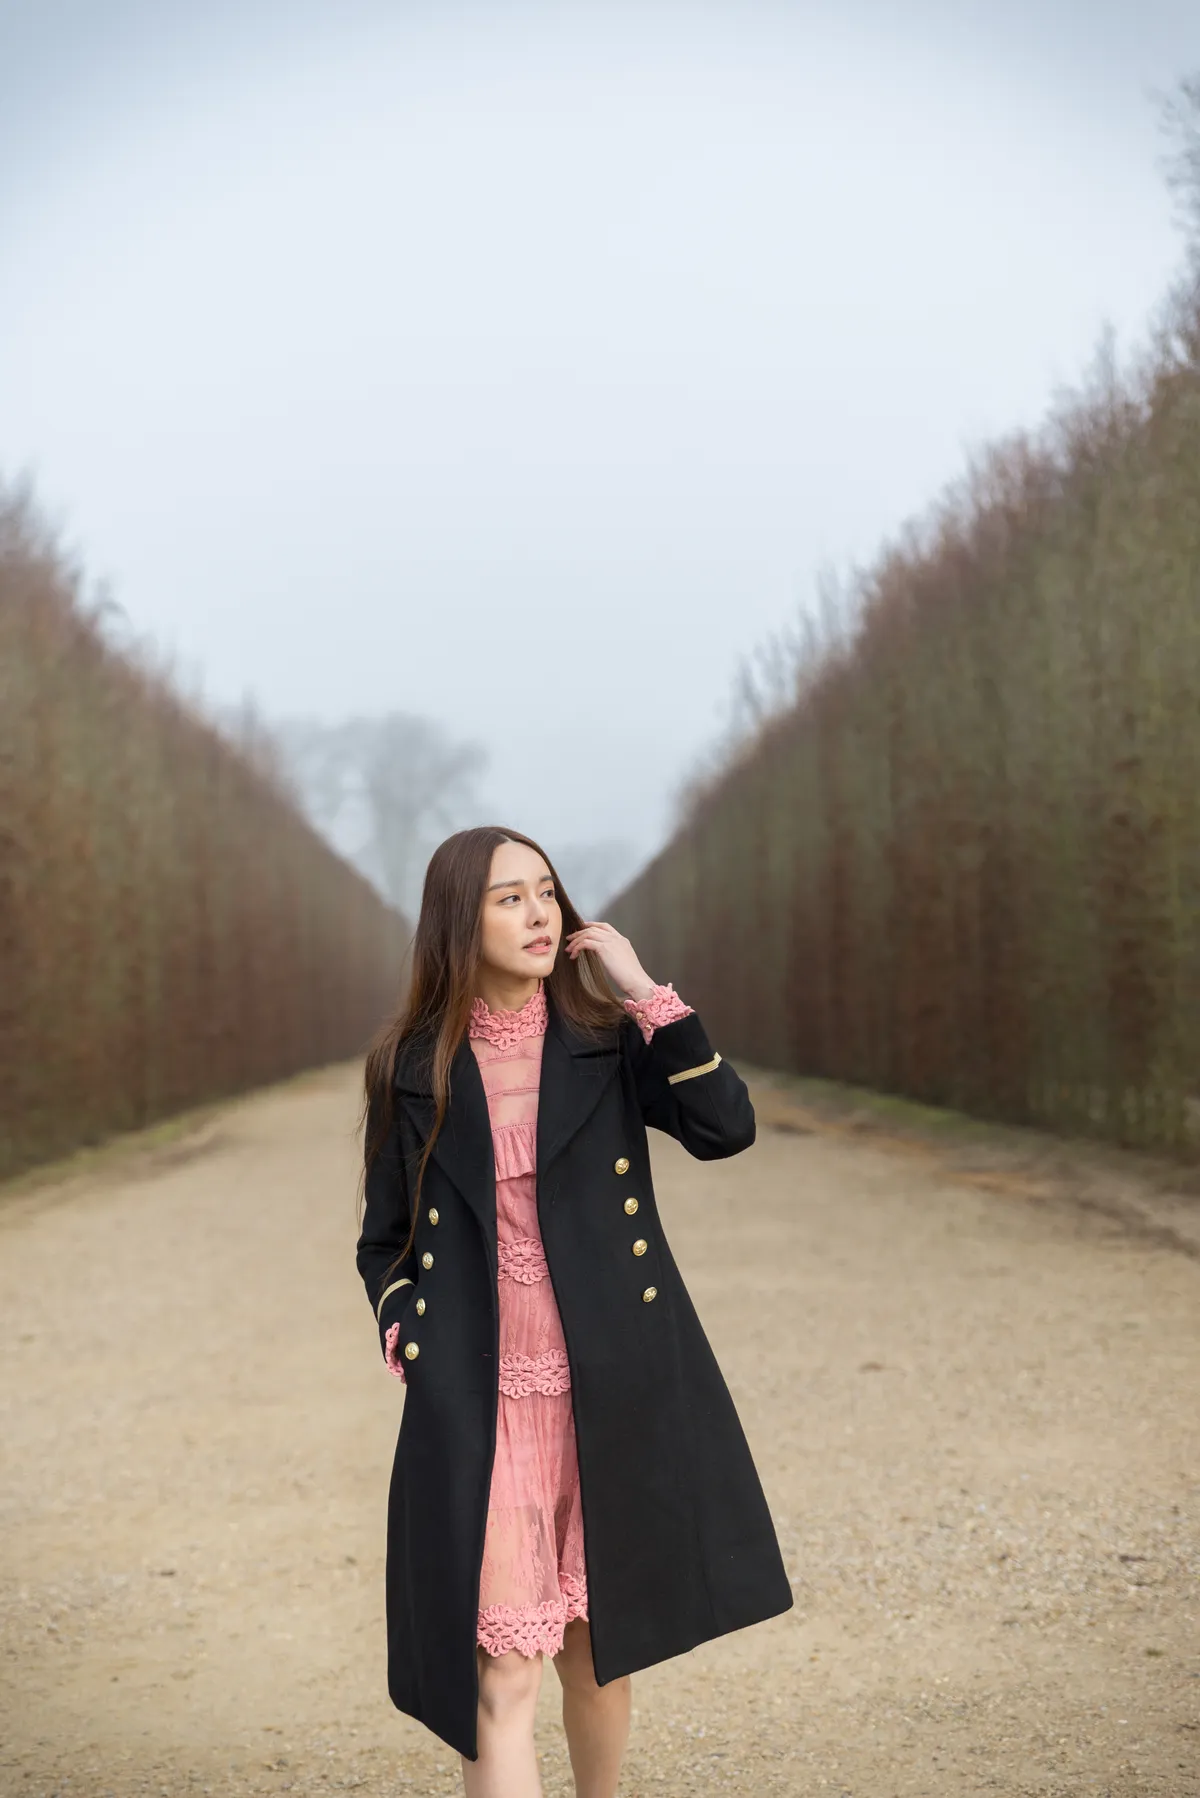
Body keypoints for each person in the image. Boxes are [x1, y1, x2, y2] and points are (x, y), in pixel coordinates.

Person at [357, 825, 792, 1797]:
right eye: (508, 897)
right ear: (457, 921)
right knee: (501, 1670)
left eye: (546, 891)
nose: (538, 912)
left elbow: (728, 1128)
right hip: (485, 1399)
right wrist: (408, 1332)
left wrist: (649, 998)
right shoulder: (412, 1066)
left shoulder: (606, 1043)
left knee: (599, 1656)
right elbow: (382, 1239)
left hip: (611, 1386)